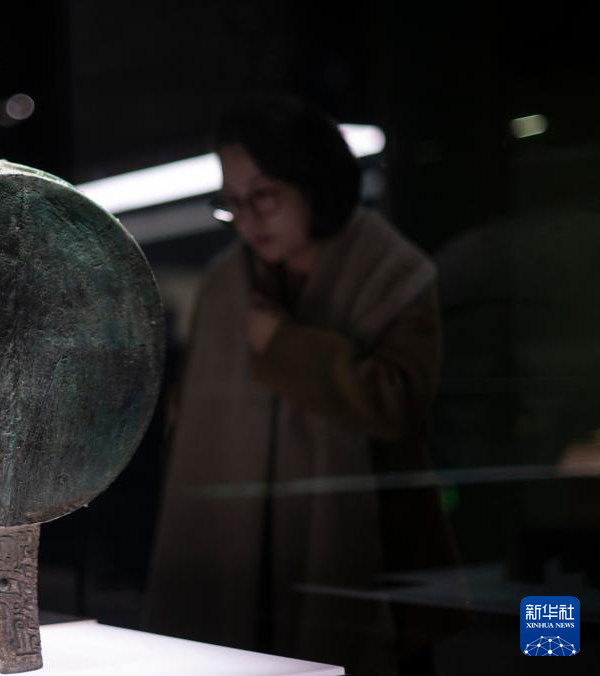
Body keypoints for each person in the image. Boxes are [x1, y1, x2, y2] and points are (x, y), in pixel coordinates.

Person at [145, 94, 460, 675]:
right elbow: (197, 431)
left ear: (315, 183)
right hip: (239, 555)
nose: (247, 220)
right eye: (232, 203)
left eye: (264, 196)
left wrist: (285, 342)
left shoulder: (392, 273)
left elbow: (398, 405)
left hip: (373, 566)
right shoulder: (226, 283)